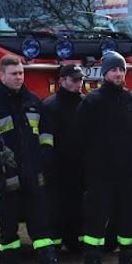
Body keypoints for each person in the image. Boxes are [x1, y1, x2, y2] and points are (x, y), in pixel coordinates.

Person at [0, 55, 70, 264]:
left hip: (34, 174)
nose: (19, 77)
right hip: (6, 176)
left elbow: (46, 132)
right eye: (14, 74)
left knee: (41, 227)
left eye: (21, 73)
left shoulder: (33, 101)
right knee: (8, 230)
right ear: (1, 75)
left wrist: (45, 154)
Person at [75, 50, 132, 264]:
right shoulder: (92, 101)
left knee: (128, 225)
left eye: (121, 69)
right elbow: (81, 139)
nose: (118, 73)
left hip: (128, 175)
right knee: (95, 225)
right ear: (104, 72)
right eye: (114, 69)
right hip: (100, 174)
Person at [43, 63, 90, 252]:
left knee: (79, 207)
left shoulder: (87, 103)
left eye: (81, 80)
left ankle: (74, 242)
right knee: (56, 207)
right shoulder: (50, 105)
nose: (79, 84)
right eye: (74, 80)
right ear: (62, 81)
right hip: (58, 167)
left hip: (81, 166)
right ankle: (54, 245)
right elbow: (46, 137)